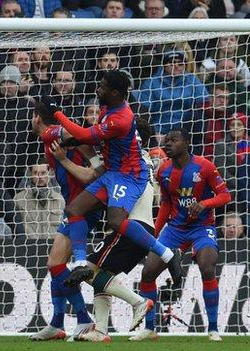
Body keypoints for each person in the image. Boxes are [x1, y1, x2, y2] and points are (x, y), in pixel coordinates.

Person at [39, 70, 183, 287]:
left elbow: (86, 136)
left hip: (130, 176)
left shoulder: (121, 119)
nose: (98, 89)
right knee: (74, 209)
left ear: (115, 92)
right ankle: (80, 264)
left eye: (103, 87)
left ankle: (166, 254)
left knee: (115, 221)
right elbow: (94, 138)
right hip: (114, 171)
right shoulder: (108, 107)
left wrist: (57, 113)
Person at [43, 114, 161, 342]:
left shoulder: (123, 162)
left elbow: (89, 177)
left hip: (131, 228)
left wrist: (65, 159)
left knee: (87, 271)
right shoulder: (144, 161)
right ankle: (101, 331)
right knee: (101, 274)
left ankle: (137, 302)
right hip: (142, 227)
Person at [131, 128, 231, 342]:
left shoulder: (204, 166)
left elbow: (225, 195)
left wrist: (204, 204)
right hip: (174, 230)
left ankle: (213, 328)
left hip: (202, 228)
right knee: (147, 273)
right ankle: (150, 328)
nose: (167, 144)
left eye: (173, 140)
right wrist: (153, 235)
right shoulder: (163, 171)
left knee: (207, 267)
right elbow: (167, 203)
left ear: (186, 143)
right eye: (166, 141)